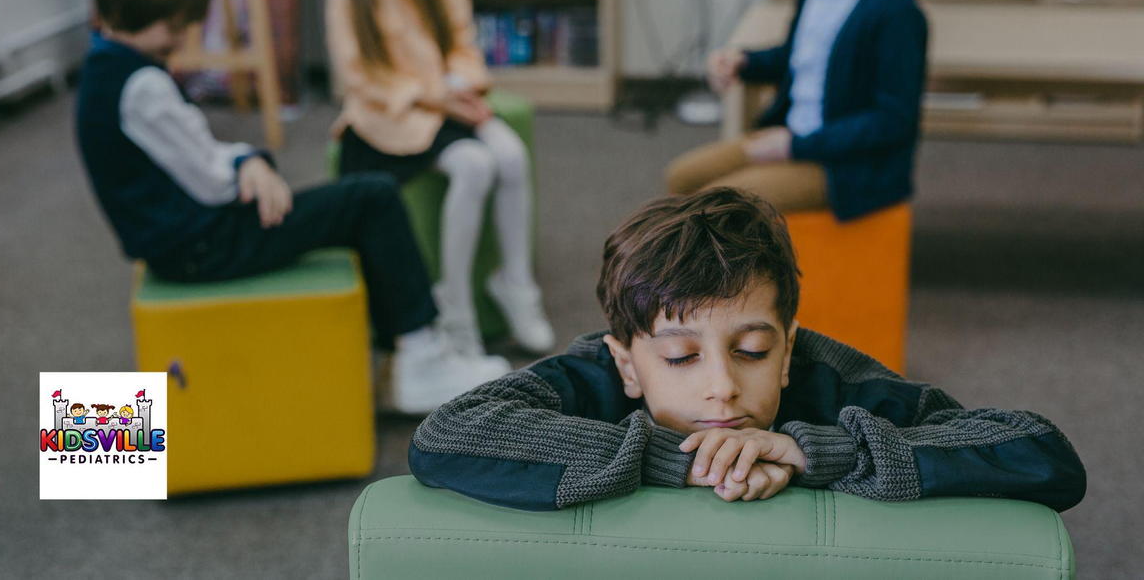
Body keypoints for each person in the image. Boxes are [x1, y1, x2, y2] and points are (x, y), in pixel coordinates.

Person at [408, 188, 1086, 511]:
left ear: (788, 350)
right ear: (627, 362)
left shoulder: (833, 378)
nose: (722, 387)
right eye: (680, 358)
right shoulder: (597, 373)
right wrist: (672, 457)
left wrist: (811, 449)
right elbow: (443, 434)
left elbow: (1044, 457)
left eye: (753, 350)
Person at [74, 0, 507, 414]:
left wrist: (246, 160)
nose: (180, 40)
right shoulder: (143, 85)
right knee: (373, 198)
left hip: (177, 241)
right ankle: (420, 356)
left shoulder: (100, 68)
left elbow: (189, 153)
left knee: (358, 202)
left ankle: (400, 356)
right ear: (146, 15)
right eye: (175, 27)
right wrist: (248, 162)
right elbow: (213, 182)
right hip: (204, 244)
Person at [325, 0, 554, 359]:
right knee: (474, 164)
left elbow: (462, 48)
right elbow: (362, 76)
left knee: (510, 154)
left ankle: (515, 283)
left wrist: (460, 88)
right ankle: (457, 307)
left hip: (446, 103)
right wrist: (436, 96)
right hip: (389, 112)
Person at [667, 0, 927, 222]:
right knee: (681, 178)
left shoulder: (896, 10)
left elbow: (892, 121)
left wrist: (795, 146)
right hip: (794, 136)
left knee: (722, 207)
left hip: (846, 165)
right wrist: (743, 61)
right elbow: (797, 56)